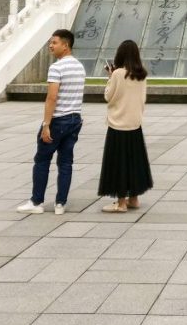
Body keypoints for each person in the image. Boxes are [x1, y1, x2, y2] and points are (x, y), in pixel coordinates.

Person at [17, 29, 85, 214]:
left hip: (58, 120)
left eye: (54, 42)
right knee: (65, 163)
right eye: (50, 42)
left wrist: (46, 125)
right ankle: (60, 204)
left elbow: (52, 98)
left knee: (42, 160)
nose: (51, 46)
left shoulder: (57, 67)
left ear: (66, 44)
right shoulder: (79, 66)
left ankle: (37, 202)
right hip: (75, 119)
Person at [98, 40, 154, 212]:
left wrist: (110, 77)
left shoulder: (117, 74)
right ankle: (134, 198)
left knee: (118, 164)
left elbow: (109, 96)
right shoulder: (141, 74)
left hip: (118, 125)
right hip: (135, 124)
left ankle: (121, 203)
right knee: (133, 163)